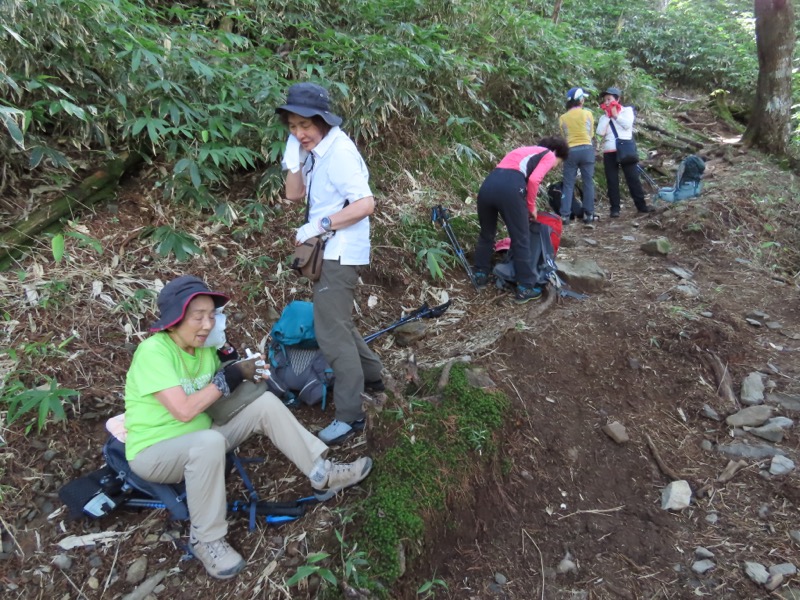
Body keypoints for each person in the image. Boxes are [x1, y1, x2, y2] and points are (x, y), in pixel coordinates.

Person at [124, 275, 373, 580]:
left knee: (264, 405)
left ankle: (322, 473)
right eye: (198, 317)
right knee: (208, 443)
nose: (207, 325)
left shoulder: (203, 349)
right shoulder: (154, 352)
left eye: (211, 316)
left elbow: (218, 396)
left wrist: (243, 371)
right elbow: (185, 410)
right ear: (174, 319)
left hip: (204, 436)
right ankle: (206, 539)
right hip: (155, 453)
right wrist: (230, 377)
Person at [276, 82, 384, 445]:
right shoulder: (316, 150)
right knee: (337, 322)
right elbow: (293, 194)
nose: (300, 132)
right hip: (328, 251)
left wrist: (320, 225)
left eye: (305, 125)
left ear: (322, 120)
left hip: (338, 252)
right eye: (292, 126)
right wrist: (294, 157)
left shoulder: (339, 152)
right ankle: (374, 376)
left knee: (330, 333)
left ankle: (349, 415)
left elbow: (366, 203)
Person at [472, 136, 569, 303]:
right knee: (521, 238)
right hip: (510, 188)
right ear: (556, 153)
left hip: (487, 187)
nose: (554, 167)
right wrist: (531, 206)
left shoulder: (522, 151)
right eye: (558, 163)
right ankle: (526, 287)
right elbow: (533, 180)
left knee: (487, 233)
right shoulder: (549, 154)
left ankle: (480, 274)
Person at [596, 86, 653, 217]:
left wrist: (615, 116)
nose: (607, 102)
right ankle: (614, 209)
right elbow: (600, 132)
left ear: (617, 99)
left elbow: (627, 125)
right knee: (612, 180)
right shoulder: (603, 116)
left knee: (632, 178)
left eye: (609, 99)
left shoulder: (627, 111)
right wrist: (607, 117)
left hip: (625, 149)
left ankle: (641, 206)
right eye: (605, 100)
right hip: (609, 151)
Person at [558, 87, 596, 225]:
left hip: (570, 151)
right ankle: (588, 214)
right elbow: (591, 133)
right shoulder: (587, 114)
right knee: (588, 182)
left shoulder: (563, 118)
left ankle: (565, 216)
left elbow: (564, 136)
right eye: (583, 97)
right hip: (586, 149)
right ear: (580, 100)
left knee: (568, 184)